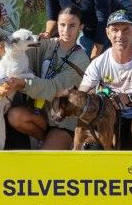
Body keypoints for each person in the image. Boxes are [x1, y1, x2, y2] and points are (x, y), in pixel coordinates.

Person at [77, 9, 132, 151]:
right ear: (107, 33)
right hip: (108, 123)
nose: (120, 35)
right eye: (115, 30)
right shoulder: (98, 62)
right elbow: (81, 96)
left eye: (126, 30)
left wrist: (129, 98)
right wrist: (95, 99)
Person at [5, 9, 93, 148]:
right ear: (57, 24)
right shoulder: (48, 44)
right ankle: (45, 140)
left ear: (81, 27)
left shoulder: (81, 59)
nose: (66, 30)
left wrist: (23, 84)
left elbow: (54, 88)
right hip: (42, 115)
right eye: (62, 24)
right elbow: (19, 50)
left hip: (65, 121)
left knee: (43, 162)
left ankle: (65, 143)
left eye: (72, 25)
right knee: (14, 116)